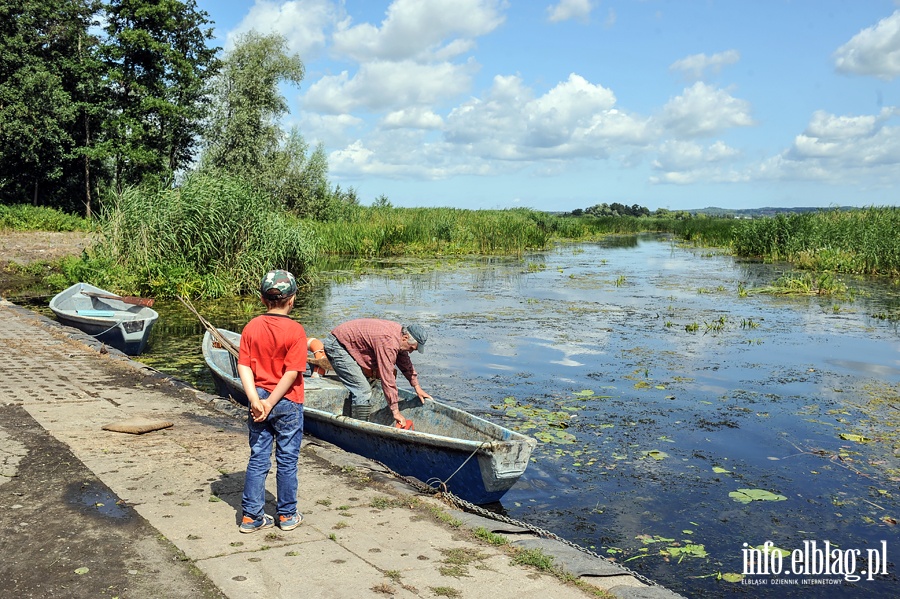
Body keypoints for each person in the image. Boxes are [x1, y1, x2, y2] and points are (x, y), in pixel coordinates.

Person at [237, 269, 307, 533]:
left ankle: (251, 517)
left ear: (263, 299)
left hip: (259, 400)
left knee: (258, 458)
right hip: (287, 401)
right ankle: (287, 515)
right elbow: (292, 372)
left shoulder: (251, 327)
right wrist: (271, 402)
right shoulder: (296, 331)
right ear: (292, 299)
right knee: (287, 459)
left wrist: (256, 400)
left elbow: (243, 366)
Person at [322, 318, 430, 427]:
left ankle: (352, 417)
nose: (411, 352)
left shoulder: (399, 336)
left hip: (347, 343)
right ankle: (358, 430)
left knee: (365, 386)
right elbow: (387, 377)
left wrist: (417, 387)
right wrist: (395, 411)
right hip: (337, 345)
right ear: (405, 337)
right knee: (362, 390)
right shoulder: (389, 342)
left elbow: (404, 361)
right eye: (411, 348)